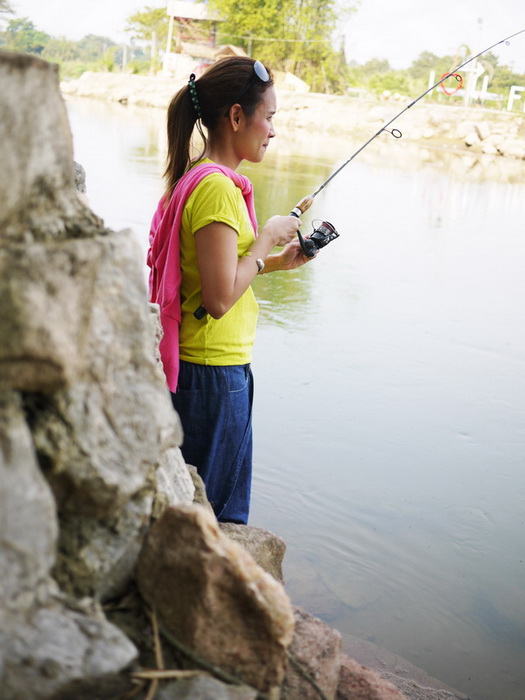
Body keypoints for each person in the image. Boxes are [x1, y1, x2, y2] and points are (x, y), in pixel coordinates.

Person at [147, 56, 312, 524]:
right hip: (212, 377)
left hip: (207, 370)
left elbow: (213, 278)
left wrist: (276, 263)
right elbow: (219, 301)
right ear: (236, 117)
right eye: (270, 117)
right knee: (214, 521)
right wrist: (267, 238)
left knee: (196, 509)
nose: (273, 130)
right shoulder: (218, 189)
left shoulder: (194, 177)